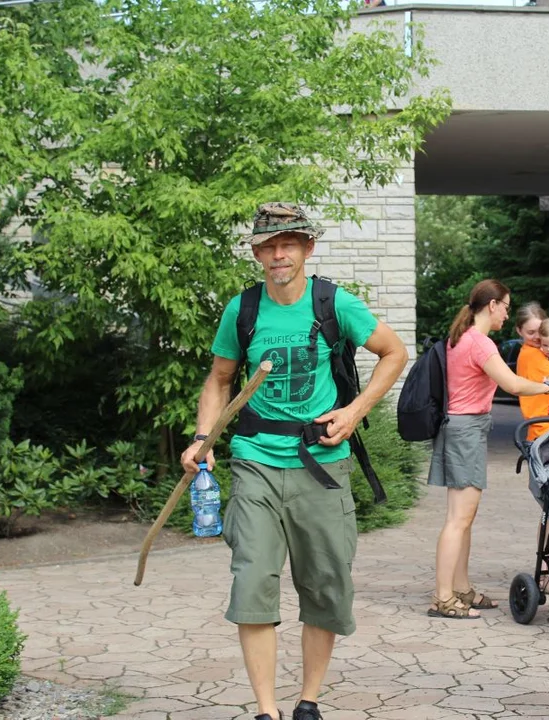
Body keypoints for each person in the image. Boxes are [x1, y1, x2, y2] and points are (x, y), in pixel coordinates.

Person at [179, 203, 409, 720]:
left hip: (322, 465)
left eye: (288, 243)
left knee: (326, 582)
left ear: (307, 246)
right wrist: (202, 437)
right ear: (257, 253)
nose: (277, 254)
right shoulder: (242, 310)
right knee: (253, 580)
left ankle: (308, 702)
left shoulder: (334, 303)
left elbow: (394, 352)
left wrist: (354, 411)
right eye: (267, 246)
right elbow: (219, 381)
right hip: (255, 460)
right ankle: (267, 711)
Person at [428, 281, 549, 619]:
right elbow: (512, 384)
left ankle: (460, 588)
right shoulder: (479, 342)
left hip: (463, 430)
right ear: (491, 305)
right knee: (458, 519)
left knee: (464, 518)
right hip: (465, 431)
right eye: (505, 306)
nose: (507, 312)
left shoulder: (460, 337)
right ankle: (443, 597)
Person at [514, 302, 549, 441]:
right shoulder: (532, 356)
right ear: (519, 331)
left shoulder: (538, 352)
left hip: (542, 430)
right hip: (544, 431)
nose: (537, 336)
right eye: (531, 332)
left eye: (541, 330)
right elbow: (537, 404)